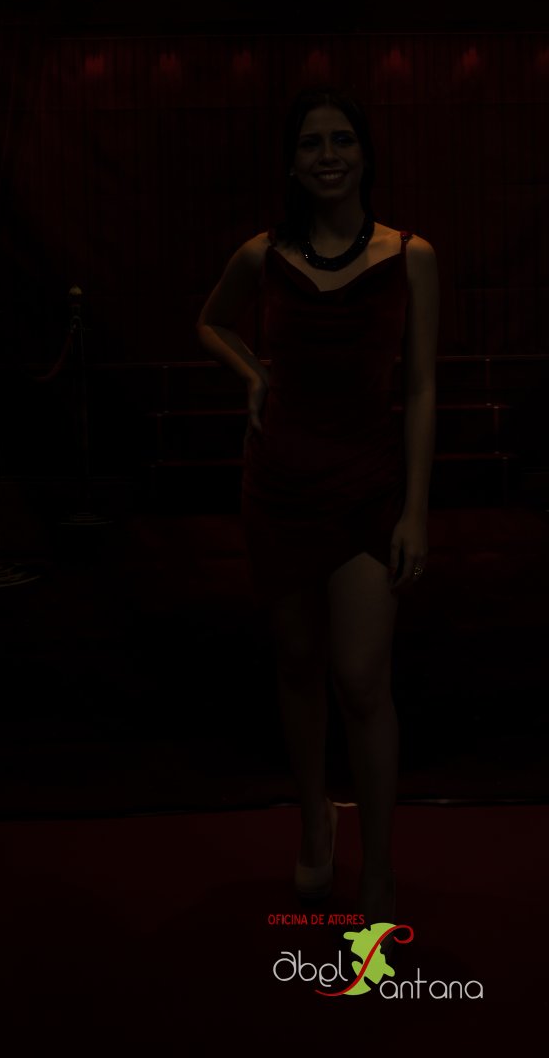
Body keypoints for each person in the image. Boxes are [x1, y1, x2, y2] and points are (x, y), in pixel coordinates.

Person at [196, 87, 438, 932]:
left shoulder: (411, 255)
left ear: (364, 154)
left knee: (362, 677)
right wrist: (253, 374)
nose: (327, 155)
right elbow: (210, 323)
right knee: (297, 665)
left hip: (367, 483)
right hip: (279, 485)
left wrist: (415, 510)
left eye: (341, 140)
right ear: (291, 164)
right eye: (311, 143)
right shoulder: (262, 254)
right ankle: (313, 818)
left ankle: (380, 869)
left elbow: (421, 387)